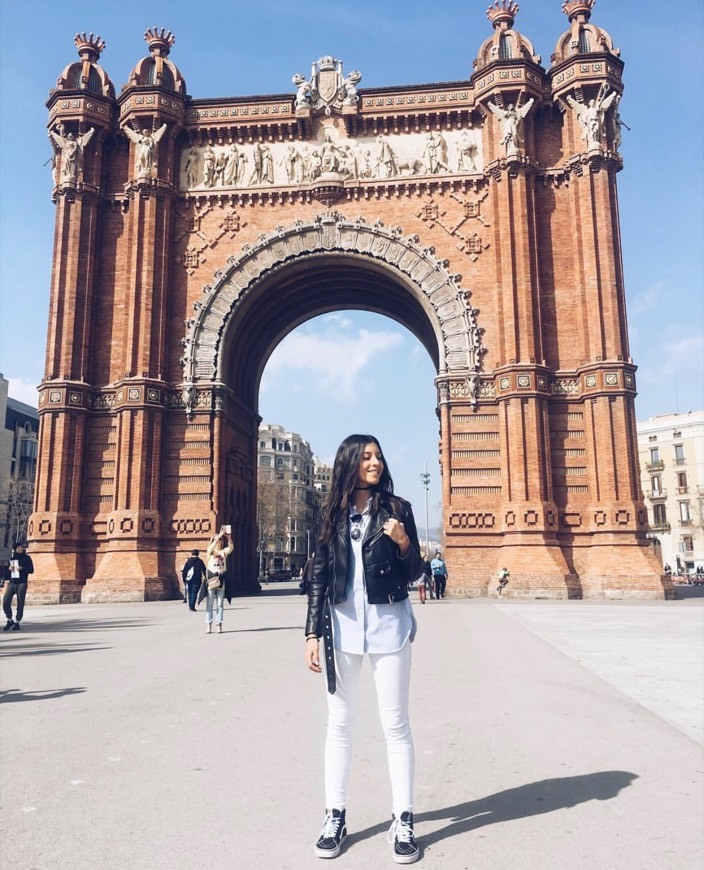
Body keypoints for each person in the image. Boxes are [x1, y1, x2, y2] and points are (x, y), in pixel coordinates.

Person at [305, 434, 422, 864]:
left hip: (390, 626)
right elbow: (318, 576)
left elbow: (415, 573)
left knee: (396, 725)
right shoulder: (330, 514)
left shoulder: (398, 510)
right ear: (350, 463)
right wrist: (311, 634)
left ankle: (403, 819)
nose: (374, 463)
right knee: (340, 724)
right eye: (366, 456)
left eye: (378, 456)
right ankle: (334, 815)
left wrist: (404, 541)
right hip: (342, 631)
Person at [201, 529, 233, 634]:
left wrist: (228, 538)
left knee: (220, 604)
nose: (218, 542)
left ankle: (219, 624)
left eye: (219, 540)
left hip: (221, 580)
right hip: (211, 580)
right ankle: (208, 624)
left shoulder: (223, 552)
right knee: (209, 604)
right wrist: (218, 536)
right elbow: (210, 548)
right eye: (216, 540)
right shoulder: (210, 552)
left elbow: (231, 548)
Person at [3, 543, 34, 631]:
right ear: (15, 549)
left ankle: (17, 621)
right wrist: (8, 569)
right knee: (6, 601)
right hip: (12, 582)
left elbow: (31, 570)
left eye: (22, 547)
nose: (21, 549)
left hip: (22, 583)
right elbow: (7, 576)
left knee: (20, 602)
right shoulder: (12, 559)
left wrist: (22, 568)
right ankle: (9, 619)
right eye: (19, 548)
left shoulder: (27, 558)